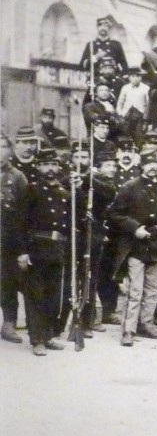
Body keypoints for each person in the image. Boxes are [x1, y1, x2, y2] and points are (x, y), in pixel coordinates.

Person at [109, 150, 157, 346]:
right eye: (149, 163)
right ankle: (128, 330)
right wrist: (134, 228)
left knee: (154, 289)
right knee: (134, 291)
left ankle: (146, 324)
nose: (153, 167)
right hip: (135, 246)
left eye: (156, 163)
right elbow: (114, 214)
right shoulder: (130, 187)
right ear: (142, 166)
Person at [16, 148, 77, 355]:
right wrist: (23, 252)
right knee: (35, 295)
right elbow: (21, 223)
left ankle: (49, 334)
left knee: (53, 295)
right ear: (39, 166)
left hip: (57, 249)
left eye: (53, 164)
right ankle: (37, 339)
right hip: (36, 249)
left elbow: (71, 223)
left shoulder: (65, 193)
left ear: (59, 167)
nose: (50, 169)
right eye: (46, 164)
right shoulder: (31, 190)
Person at [76, 149, 119, 337]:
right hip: (73, 234)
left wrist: (87, 180)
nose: (112, 169)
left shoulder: (103, 182)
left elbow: (109, 192)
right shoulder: (68, 177)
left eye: (113, 166)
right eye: (108, 165)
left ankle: (87, 322)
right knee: (69, 278)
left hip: (94, 235)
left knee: (90, 278)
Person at [0, 135, 28, 343]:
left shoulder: (17, 177)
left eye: (2, 147)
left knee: (8, 282)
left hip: (7, 240)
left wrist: (21, 246)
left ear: (10, 150)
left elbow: (23, 213)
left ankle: (8, 323)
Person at [117, 68, 150, 146]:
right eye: (133, 76)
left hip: (140, 116)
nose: (135, 78)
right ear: (129, 77)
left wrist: (145, 119)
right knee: (125, 135)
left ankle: (138, 150)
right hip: (127, 116)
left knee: (138, 135)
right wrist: (120, 113)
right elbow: (120, 103)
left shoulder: (146, 88)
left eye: (137, 76)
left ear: (141, 77)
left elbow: (148, 104)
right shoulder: (125, 88)